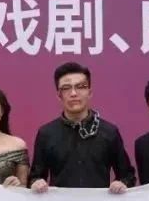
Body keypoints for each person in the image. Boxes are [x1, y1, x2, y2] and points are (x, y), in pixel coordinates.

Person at [29, 62, 136, 192]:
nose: (73, 93)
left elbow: (128, 176)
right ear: (58, 95)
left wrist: (122, 183)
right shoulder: (46, 133)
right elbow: (35, 177)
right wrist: (36, 182)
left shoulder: (109, 132)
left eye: (80, 87)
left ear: (89, 92)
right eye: (66, 88)